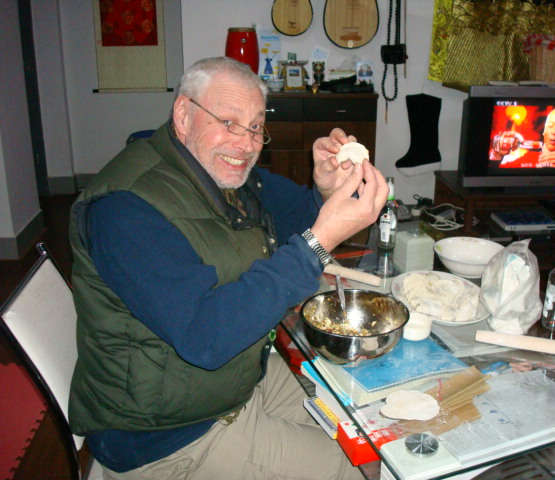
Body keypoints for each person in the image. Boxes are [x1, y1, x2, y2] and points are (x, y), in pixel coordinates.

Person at [68, 57, 388, 480]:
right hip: (168, 434)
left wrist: (324, 195)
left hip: (229, 382)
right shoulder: (126, 210)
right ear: (183, 115)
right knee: (354, 469)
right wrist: (318, 244)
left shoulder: (219, 170)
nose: (246, 142)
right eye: (229, 121)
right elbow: (205, 336)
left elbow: (287, 219)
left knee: (365, 424)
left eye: (256, 126)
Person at [489, 106, 555, 168]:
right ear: (544, 129)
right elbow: (494, 173)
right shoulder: (529, 157)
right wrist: (497, 154)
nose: (554, 132)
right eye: (550, 125)